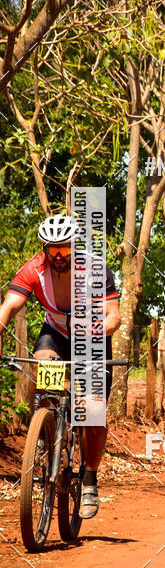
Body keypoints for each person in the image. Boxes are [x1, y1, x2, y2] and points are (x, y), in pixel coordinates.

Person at [0, 215, 121, 519]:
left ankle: (90, 477)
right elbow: (9, 307)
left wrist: (90, 332)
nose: (58, 256)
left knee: (93, 410)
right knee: (44, 365)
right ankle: (46, 427)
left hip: (92, 336)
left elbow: (114, 318)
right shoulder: (34, 269)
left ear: (74, 247)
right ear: (45, 249)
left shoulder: (95, 269)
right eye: (52, 249)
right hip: (54, 332)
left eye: (64, 249)